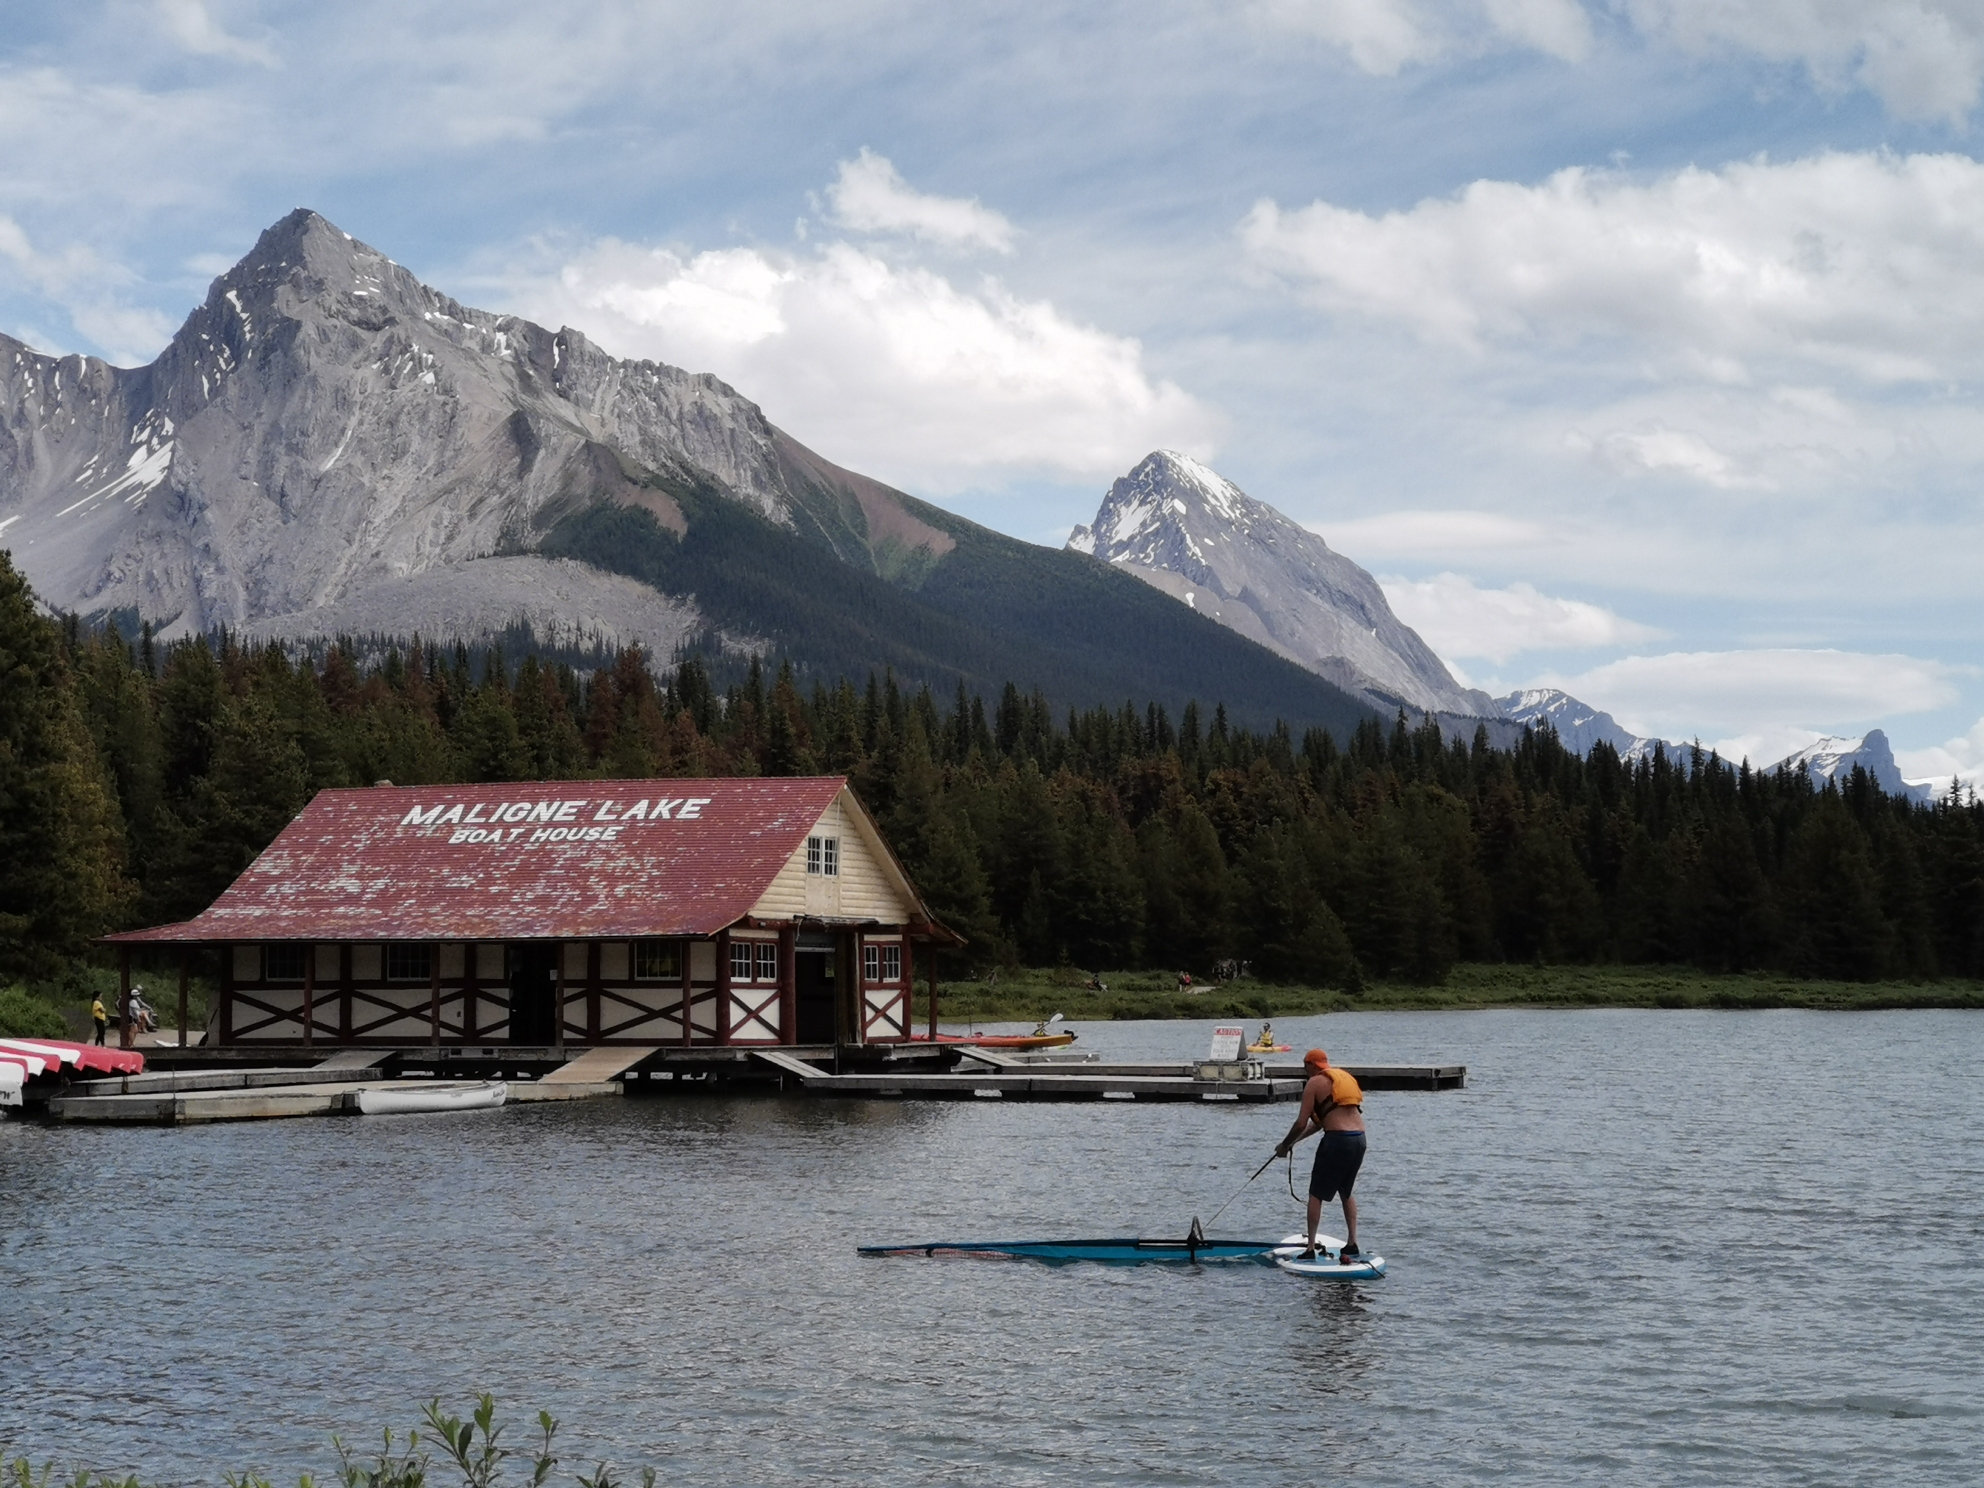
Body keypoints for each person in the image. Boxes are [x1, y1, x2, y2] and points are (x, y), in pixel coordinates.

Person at [1274, 1047, 1366, 1261]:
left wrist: (1284, 1144)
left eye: (1305, 1067)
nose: (1305, 1071)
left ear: (1311, 1065)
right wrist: (1292, 1144)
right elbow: (1317, 1125)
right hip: (1359, 1139)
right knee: (1346, 1191)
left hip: (1337, 1141)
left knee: (1316, 1194)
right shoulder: (1340, 1078)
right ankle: (1352, 1243)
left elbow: (1300, 1123)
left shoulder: (1314, 1083)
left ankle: (1310, 1249)